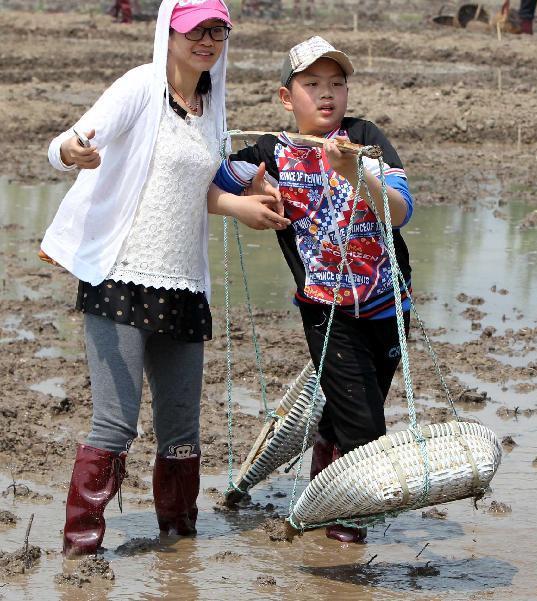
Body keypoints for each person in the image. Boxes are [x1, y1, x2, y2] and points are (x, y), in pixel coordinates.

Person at [43, 0, 287, 558]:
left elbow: (200, 184)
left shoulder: (211, 105)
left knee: (182, 435)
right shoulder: (139, 87)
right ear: (170, 31)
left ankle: (179, 552)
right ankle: (81, 551)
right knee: (114, 427)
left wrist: (247, 197)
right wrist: (72, 150)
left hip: (184, 286)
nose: (207, 41)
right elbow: (61, 145)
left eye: (217, 31)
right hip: (121, 281)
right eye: (195, 30)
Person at [210, 36, 415, 544]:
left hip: (390, 301)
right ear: (287, 97)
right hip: (326, 310)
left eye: (337, 84)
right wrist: (245, 195)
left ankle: (327, 474)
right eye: (312, 85)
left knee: (358, 408)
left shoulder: (365, 138)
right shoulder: (268, 153)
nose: (327, 95)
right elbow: (206, 179)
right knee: (367, 429)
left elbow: (402, 210)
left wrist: (355, 171)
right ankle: (346, 532)